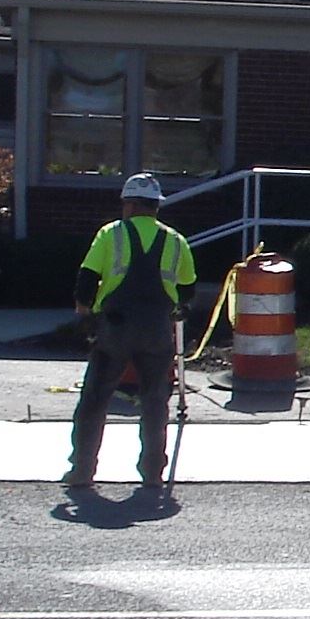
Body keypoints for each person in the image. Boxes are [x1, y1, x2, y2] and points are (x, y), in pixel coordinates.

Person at [65, 173, 197, 491]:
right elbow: (188, 289)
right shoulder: (175, 240)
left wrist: (84, 309)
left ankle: (82, 469)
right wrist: (176, 308)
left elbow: (87, 277)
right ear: (155, 206)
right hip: (157, 329)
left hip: (116, 328)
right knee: (154, 401)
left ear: (130, 204)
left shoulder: (111, 234)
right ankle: (152, 472)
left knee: (95, 399)